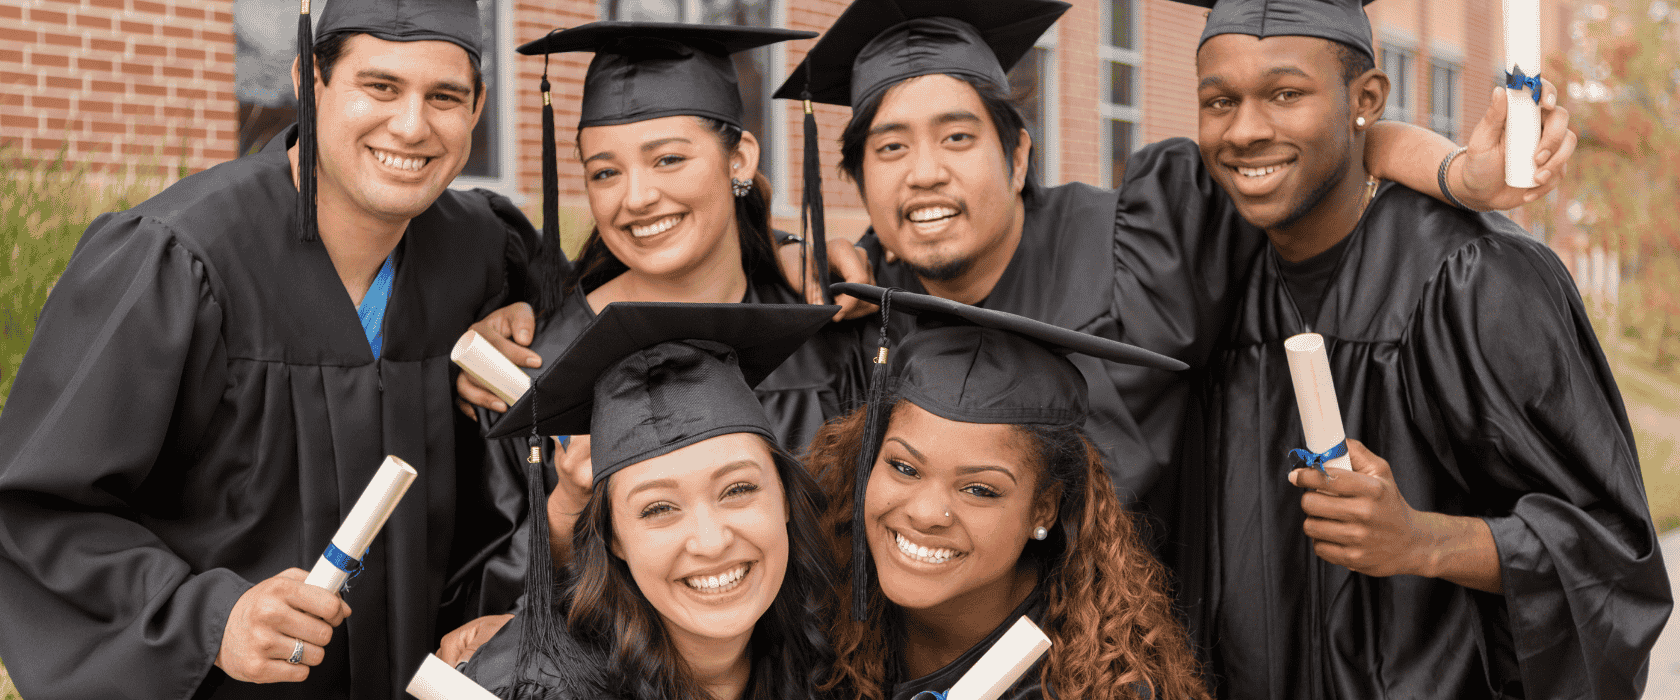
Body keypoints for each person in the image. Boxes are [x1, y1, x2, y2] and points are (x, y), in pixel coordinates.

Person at [773, 0, 1577, 540]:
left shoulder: (1147, 237)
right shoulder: (856, 320)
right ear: (858, 179)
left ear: (1017, 156)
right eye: (890, 147)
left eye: (957, 137)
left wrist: (1457, 176)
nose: (924, 173)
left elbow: (1314, 147)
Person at [0, 1, 548, 697]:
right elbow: (37, 509)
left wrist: (528, 320)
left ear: (477, 110)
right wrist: (210, 618)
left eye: (444, 97)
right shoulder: (178, 258)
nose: (412, 126)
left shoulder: (482, 250)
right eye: (380, 86)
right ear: (307, 81)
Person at [1165, 0, 1670, 696]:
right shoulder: (1214, 268)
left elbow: (1610, 554)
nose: (1246, 130)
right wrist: (1453, 168)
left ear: (1367, 99)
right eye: (1219, 101)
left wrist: (1422, 540)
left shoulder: (1475, 280)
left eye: (1286, 94)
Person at [442, 24, 864, 660]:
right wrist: (567, 508)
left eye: (668, 159)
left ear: (740, 160)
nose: (637, 197)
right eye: (605, 172)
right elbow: (484, 608)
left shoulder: (829, 337)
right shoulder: (533, 369)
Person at [807, 282, 1208, 700]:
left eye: (979, 490)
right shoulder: (817, 622)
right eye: (904, 468)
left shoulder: (1097, 688)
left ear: (1043, 509)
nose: (925, 513)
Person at [458, 302, 838, 700]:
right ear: (612, 537)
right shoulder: (538, 690)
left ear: (786, 498)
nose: (711, 542)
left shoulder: (837, 659)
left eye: (738, 489)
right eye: (659, 508)